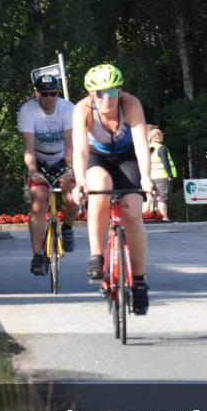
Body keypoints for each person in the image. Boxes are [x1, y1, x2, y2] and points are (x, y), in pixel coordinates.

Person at [71, 63, 154, 315]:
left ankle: (139, 282)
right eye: (99, 93)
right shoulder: (82, 109)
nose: (106, 98)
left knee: (132, 213)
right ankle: (97, 256)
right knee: (100, 188)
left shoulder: (131, 105)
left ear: (120, 91)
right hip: (98, 159)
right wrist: (80, 182)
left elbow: (141, 145)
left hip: (127, 157)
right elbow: (81, 149)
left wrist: (147, 179)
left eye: (112, 92)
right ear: (90, 95)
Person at [18, 73, 78, 275]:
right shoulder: (27, 111)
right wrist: (33, 172)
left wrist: (69, 170)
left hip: (63, 158)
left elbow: (71, 145)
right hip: (40, 160)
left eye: (53, 94)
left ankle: (68, 228)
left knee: (72, 198)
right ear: (37, 94)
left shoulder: (68, 109)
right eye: (45, 94)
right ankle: (37, 256)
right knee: (38, 204)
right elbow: (28, 148)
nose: (49, 98)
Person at [146, 127, 178, 221]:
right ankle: (164, 217)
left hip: (151, 177)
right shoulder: (161, 148)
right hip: (162, 177)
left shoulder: (148, 147)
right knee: (162, 199)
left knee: (153, 198)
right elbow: (165, 162)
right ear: (158, 136)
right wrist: (169, 175)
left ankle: (152, 217)